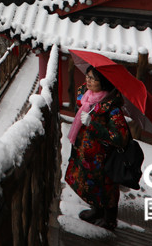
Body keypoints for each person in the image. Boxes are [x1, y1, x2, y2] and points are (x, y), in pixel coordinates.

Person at [64, 66, 130, 230]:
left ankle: (109, 219)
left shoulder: (111, 108)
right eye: (87, 76)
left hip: (103, 158)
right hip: (86, 155)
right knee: (91, 184)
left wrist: (92, 124)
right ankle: (97, 210)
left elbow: (120, 137)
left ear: (104, 83)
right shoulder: (86, 97)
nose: (88, 80)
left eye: (93, 78)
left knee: (106, 188)